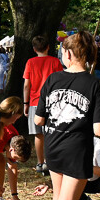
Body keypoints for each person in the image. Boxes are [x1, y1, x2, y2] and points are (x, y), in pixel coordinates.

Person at [34, 30, 100, 200]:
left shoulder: (53, 79)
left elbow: (38, 119)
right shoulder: (95, 84)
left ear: (67, 54)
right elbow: (99, 130)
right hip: (77, 150)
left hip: (53, 147)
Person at [23, 35, 63, 174]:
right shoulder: (55, 61)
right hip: (52, 102)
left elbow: (26, 85)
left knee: (38, 134)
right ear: (48, 47)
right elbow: (60, 82)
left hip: (35, 101)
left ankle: (40, 163)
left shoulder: (30, 62)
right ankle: (49, 161)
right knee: (51, 133)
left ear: (34, 49)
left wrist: (25, 103)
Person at [0, 97, 26, 200]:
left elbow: (13, 167)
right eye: (16, 118)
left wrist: (15, 196)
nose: (15, 122)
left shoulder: (14, 135)